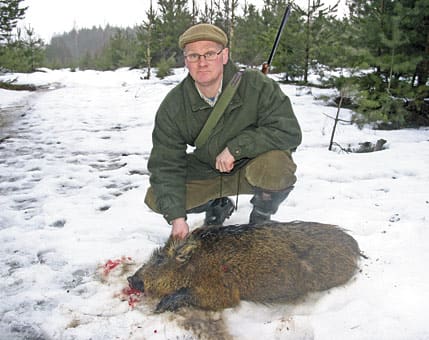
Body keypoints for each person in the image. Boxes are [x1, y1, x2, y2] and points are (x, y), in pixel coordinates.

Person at [145, 23, 302, 239]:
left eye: (209, 53)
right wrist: (177, 219)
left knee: (277, 165)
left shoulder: (257, 85)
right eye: (193, 56)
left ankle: (261, 218)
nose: (201, 63)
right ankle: (216, 205)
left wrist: (237, 148)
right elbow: (165, 164)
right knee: (158, 197)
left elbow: (288, 131)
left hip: (251, 168)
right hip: (209, 170)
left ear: (224, 55)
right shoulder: (173, 105)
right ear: (185, 61)